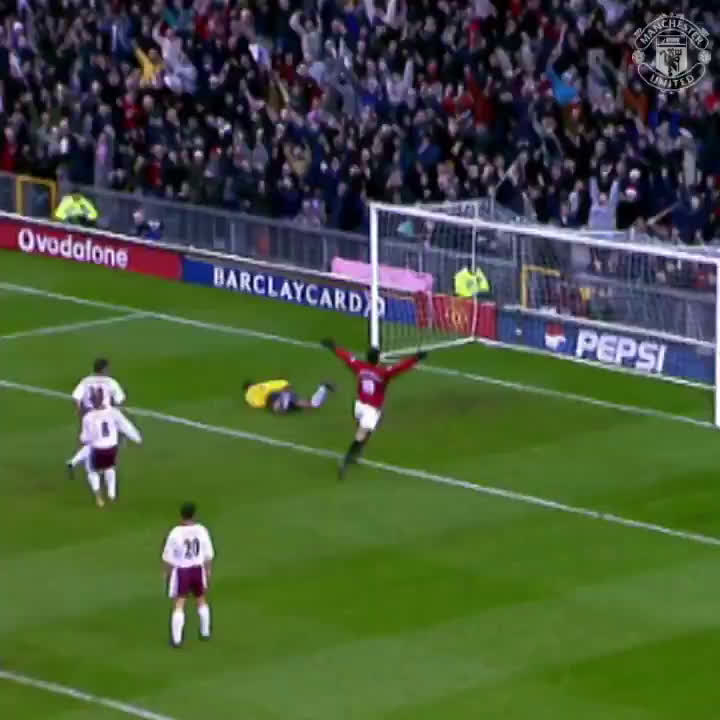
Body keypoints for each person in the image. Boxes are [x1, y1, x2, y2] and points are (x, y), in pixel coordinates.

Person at [321, 339, 426, 479]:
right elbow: (400, 367)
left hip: (359, 406)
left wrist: (334, 347)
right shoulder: (383, 372)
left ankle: (356, 454)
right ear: (378, 359)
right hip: (371, 409)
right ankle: (346, 461)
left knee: (366, 432)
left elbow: (347, 356)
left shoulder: (359, 366)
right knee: (361, 435)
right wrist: (416, 358)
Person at [162, 502, 215, 648]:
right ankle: (205, 632)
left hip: (182, 571)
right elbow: (208, 554)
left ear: (181, 515)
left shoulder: (175, 532)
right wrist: (208, 571)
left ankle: (177, 640)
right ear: (194, 515)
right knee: (201, 599)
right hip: (198, 569)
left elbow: (167, 557)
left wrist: (167, 574)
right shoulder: (201, 530)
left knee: (179, 603)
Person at [79, 387, 142, 507]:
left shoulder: (88, 417)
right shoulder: (113, 412)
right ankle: (111, 494)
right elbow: (126, 426)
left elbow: (85, 437)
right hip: (111, 448)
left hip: (97, 448)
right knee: (110, 468)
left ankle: (99, 498)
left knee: (92, 471)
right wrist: (137, 439)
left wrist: (83, 441)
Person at [67, 358, 126, 477]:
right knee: (105, 443)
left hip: (89, 416)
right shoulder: (110, 382)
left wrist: (80, 412)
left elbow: (76, 398)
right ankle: (100, 468)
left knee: (92, 443)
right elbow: (119, 400)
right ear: (104, 369)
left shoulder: (86, 381)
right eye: (107, 368)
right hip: (105, 417)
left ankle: (73, 462)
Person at [243, 379, 334, 413]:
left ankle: (322, 388)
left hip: (274, 399)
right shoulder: (259, 385)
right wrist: (285, 384)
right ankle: (322, 388)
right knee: (308, 404)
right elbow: (273, 384)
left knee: (308, 404)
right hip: (276, 395)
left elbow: (258, 404)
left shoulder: (248, 397)